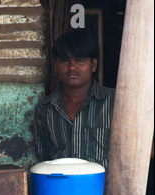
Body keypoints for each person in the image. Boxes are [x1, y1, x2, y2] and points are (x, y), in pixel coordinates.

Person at [34, 29, 115, 169]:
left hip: (106, 189)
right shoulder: (45, 109)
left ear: (93, 65)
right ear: (56, 66)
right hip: (62, 189)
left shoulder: (115, 102)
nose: (72, 67)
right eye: (65, 61)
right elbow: (44, 159)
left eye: (80, 60)